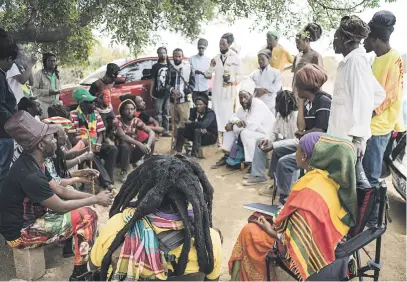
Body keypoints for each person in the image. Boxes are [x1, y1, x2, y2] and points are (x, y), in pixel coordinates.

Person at [0, 111, 113, 281]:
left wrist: (93, 195)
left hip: (30, 220)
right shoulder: (30, 174)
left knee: (84, 210)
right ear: (41, 145)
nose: (55, 141)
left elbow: (61, 190)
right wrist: (95, 199)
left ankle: (81, 262)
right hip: (20, 233)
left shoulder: (34, 163)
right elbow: (59, 204)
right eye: (51, 138)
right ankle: (80, 273)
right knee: (88, 216)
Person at [229, 132, 358, 281]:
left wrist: (269, 229)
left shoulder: (310, 189)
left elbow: (295, 240)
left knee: (249, 231)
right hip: (331, 242)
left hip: (309, 255)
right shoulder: (329, 178)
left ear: (304, 156)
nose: (294, 153)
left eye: (297, 148)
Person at [89, 155, 222, 281]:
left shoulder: (118, 226)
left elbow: (93, 266)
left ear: (144, 188)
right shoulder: (208, 239)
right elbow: (212, 279)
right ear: (190, 193)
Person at [251, 64, 331, 200]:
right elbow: (301, 128)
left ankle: (285, 197)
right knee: (279, 153)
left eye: (297, 85)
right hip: (307, 144)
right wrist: (300, 102)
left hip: (319, 148)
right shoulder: (308, 103)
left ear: (304, 86)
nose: (294, 88)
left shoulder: (323, 101)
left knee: (285, 162)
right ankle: (277, 186)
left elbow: (320, 130)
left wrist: (304, 134)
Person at [363, 10, 405, 225]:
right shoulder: (375, 59)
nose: (363, 43)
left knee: (371, 176)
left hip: (380, 127)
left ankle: (372, 222)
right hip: (369, 126)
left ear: (375, 39)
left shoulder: (394, 57)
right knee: (367, 174)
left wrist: (369, 111)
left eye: (366, 39)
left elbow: (391, 94)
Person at [329, 15, 386, 158]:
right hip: (339, 139)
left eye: (335, 37)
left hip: (349, 143)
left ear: (344, 39)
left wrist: (358, 137)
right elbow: (378, 94)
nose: (333, 41)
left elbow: (364, 99)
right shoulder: (350, 62)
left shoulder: (356, 63)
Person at [213, 79, 275, 168]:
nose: (243, 100)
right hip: (256, 133)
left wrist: (234, 126)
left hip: (267, 135)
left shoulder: (258, 105)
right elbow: (233, 116)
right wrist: (235, 122)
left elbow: (251, 126)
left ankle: (253, 163)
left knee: (244, 133)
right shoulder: (244, 107)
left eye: (245, 97)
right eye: (240, 98)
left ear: (251, 95)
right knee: (229, 128)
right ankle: (228, 156)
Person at [243, 90, 298, 186]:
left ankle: (276, 183)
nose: (276, 106)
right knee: (260, 142)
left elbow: (296, 141)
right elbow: (274, 132)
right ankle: (259, 175)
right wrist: (268, 139)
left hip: (295, 146)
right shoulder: (280, 114)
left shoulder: (295, 116)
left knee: (277, 149)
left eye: (278, 103)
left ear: (287, 104)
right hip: (284, 142)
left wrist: (274, 144)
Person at [70, 88, 118, 191]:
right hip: (81, 147)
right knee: (91, 154)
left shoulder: (95, 114)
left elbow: (100, 133)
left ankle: (107, 180)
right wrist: (86, 146)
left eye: (93, 102)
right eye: (90, 103)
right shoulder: (73, 115)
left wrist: (98, 144)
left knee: (112, 149)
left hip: (95, 143)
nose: (94, 105)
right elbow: (72, 138)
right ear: (82, 104)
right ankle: (106, 184)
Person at [206, 33, 243, 141]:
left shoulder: (236, 59)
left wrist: (231, 79)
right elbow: (208, 75)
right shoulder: (216, 58)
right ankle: (217, 140)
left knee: (227, 117)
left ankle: (228, 143)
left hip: (228, 93)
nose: (221, 46)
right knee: (216, 116)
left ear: (229, 44)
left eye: (223, 44)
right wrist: (211, 67)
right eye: (219, 44)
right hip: (217, 93)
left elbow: (240, 76)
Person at [42, 117, 98, 187]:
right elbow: (58, 182)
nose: (66, 136)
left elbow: (65, 157)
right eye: (64, 133)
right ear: (55, 137)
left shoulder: (57, 148)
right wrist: (83, 158)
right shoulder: (48, 157)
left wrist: (82, 172)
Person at [114, 99, 156, 183]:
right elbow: (122, 136)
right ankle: (124, 171)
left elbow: (151, 132)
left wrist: (147, 145)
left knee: (151, 137)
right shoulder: (117, 121)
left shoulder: (136, 120)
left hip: (133, 152)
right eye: (127, 109)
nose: (130, 111)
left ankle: (147, 161)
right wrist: (139, 144)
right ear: (122, 110)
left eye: (132, 109)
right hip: (119, 155)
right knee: (124, 144)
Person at [166, 48, 195, 148]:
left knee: (185, 123)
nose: (177, 58)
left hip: (184, 101)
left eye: (179, 56)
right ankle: (176, 145)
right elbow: (166, 84)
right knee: (175, 124)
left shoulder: (189, 68)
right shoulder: (169, 68)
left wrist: (182, 93)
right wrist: (172, 90)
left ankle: (187, 146)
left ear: (182, 57)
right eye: (175, 56)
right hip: (172, 101)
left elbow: (192, 85)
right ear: (172, 56)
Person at [0, 28, 18, 184]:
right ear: (7, 59)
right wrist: (16, 122)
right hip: (3, 134)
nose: (12, 65)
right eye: (13, 61)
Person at [11, 97, 42, 167]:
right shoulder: (21, 124)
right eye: (37, 106)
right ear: (29, 109)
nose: (40, 108)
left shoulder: (34, 119)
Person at [249, 49, 282, 114]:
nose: (260, 61)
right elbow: (248, 84)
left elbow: (277, 87)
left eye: (262, 59)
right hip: (256, 104)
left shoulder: (275, 72)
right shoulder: (254, 74)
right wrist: (256, 89)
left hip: (270, 105)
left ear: (268, 59)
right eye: (259, 59)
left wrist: (264, 91)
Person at [32, 52, 61, 118]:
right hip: (44, 106)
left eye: (54, 61)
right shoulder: (39, 74)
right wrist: (48, 92)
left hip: (56, 106)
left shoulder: (57, 74)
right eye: (50, 61)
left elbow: (58, 90)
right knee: (45, 125)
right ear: (45, 62)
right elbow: (34, 91)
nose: (52, 62)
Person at [150, 47, 171, 137]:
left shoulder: (170, 66)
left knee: (166, 113)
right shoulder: (155, 67)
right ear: (158, 55)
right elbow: (153, 80)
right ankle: (158, 132)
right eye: (160, 53)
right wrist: (151, 92)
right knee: (158, 113)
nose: (162, 55)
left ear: (166, 54)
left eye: (164, 53)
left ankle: (166, 131)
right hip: (158, 94)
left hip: (168, 94)